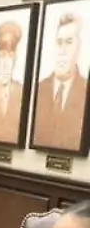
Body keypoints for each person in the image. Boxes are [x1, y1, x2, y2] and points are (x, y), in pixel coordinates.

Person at [33, 12, 88, 152]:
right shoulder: (37, 90)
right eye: (59, 43)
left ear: (79, 48)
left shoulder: (85, 90)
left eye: (69, 42)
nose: (62, 51)